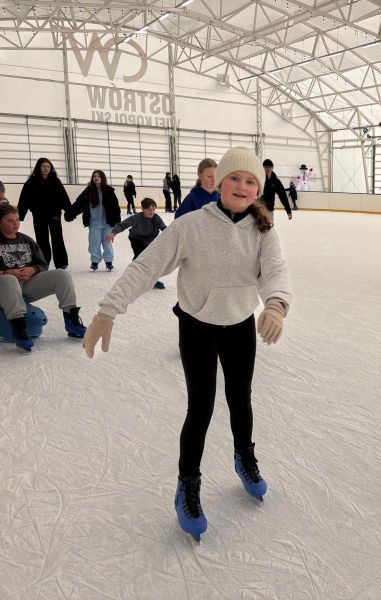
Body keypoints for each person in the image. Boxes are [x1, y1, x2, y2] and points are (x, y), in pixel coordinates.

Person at [82, 147, 292, 543]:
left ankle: (244, 458)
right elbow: (147, 267)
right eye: (234, 178)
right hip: (197, 327)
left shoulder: (264, 230)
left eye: (250, 181)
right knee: (201, 407)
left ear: (258, 189)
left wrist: (276, 305)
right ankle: (188, 485)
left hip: (239, 326)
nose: (242, 186)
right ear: (219, 182)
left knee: (241, 398)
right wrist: (107, 311)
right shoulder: (190, 226)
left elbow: (275, 272)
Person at [0, 204, 86, 351]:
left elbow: (42, 263)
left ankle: (71, 321)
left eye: (17, 219)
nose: (16, 223)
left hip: (26, 285)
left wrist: (32, 269)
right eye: (10, 220)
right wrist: (6, 272)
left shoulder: (26, 240)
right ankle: (19, 330)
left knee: (62, 275)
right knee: (9, 279)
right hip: (4, 287)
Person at [17, 158, 71, 269]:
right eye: (43, 166)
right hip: (39, 215)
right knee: (42, 239)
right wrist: (20, 215)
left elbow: (63, 197)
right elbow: (24, 199)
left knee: (57, 238)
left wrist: (69, 212)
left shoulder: (56, 181)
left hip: (54, 214)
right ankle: (43, 262)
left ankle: (61, 263)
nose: (46, 168)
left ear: (51, 168)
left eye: (48, 166)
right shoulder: (31, 182)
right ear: (39, 167)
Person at [64, 170, 122, 271]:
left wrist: (117, 223)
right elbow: (79, 204)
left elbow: (115, 207)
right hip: (94, 223)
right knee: (94, 243)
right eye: (94, 176)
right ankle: (95, 261)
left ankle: (108, 261)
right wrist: (70, 214)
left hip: (107, 223)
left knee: (107, 243)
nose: (96, 178)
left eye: (99, 176)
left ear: (102, 178)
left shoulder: (109, 191)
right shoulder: (88, 191)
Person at [106, 198, 167, 289]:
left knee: (152, 260)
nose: (152, 212)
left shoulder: (156, 218)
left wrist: (173, 236)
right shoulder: (137, 218)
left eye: (153, 209)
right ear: (143, 209)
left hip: (150, 241)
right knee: (140, 257)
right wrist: (113, 232)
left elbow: (165, 229)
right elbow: (122, 225)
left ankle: (153, 280)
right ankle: (130, 278)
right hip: (136, 239)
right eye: (149, 209)